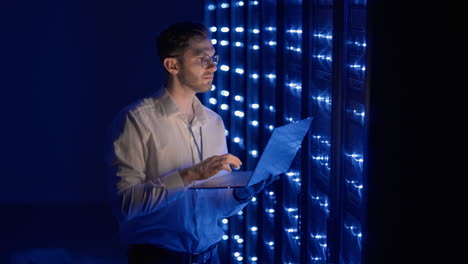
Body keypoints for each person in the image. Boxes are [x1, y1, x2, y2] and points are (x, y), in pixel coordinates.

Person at [105, 22, 275, 264]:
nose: (213, 66)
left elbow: (213, 207)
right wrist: (191, 174)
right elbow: (125, 205)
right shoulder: (135, 120)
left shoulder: (213, 122)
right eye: (202, 59)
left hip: (210, 257)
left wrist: (241, 194)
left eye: (214, 58)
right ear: (172, 65)